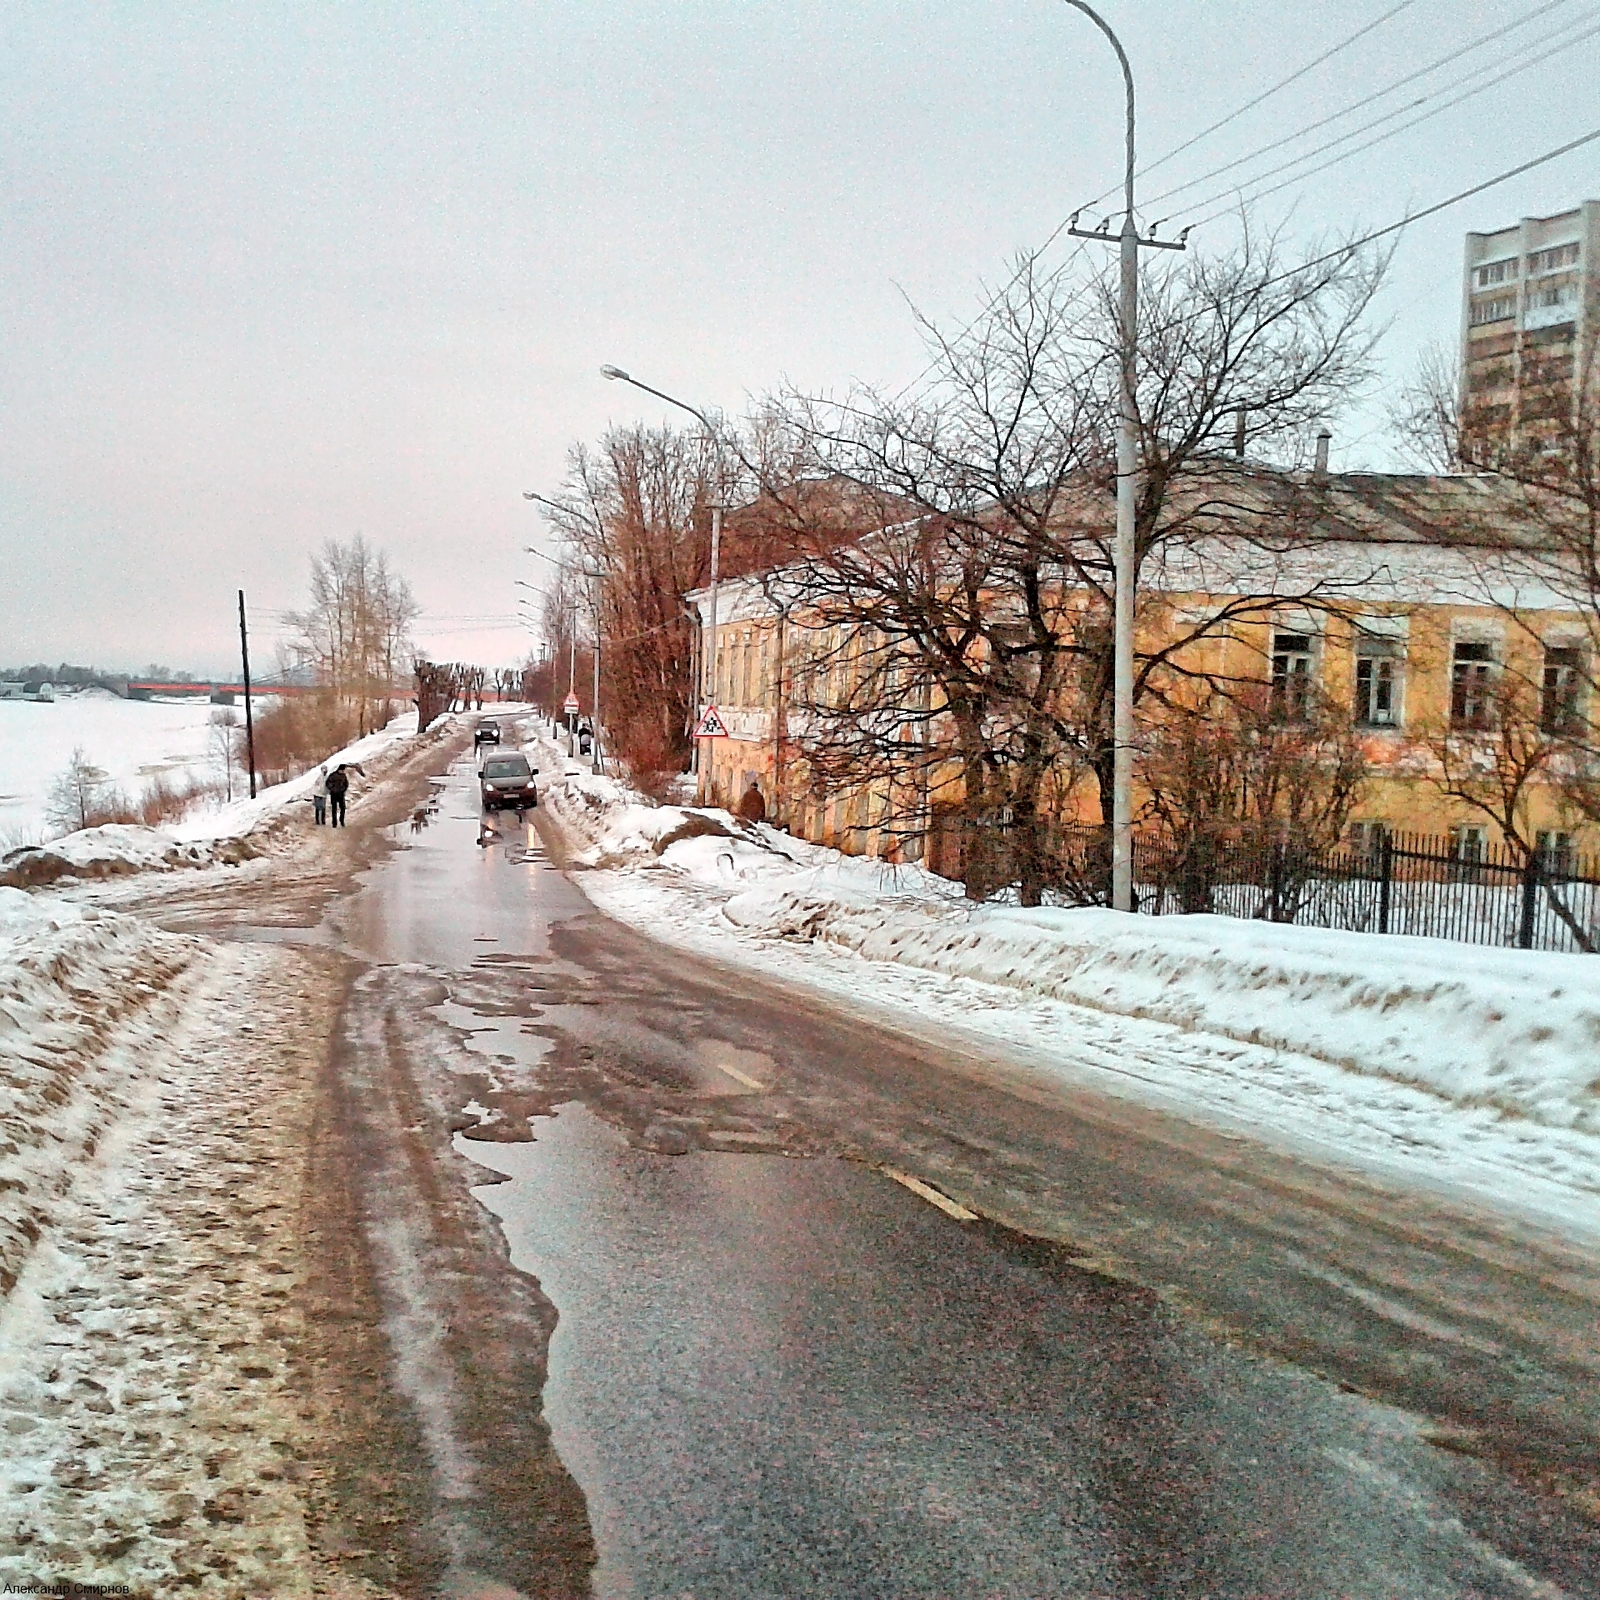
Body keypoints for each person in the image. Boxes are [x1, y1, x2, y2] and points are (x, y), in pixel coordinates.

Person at [326, 763, 350, 828]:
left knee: (343, 808)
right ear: (338, 769)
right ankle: (334, 823)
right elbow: (327, 783)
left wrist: (343, 789)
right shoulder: (332, 775)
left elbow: (346, 784)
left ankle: (341, 820)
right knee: (334, 809)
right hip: (334, 794)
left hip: (341, 794)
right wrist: (332, 789)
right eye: (341, 770)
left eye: (343, 770)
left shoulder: (344, 776)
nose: (342, 771)